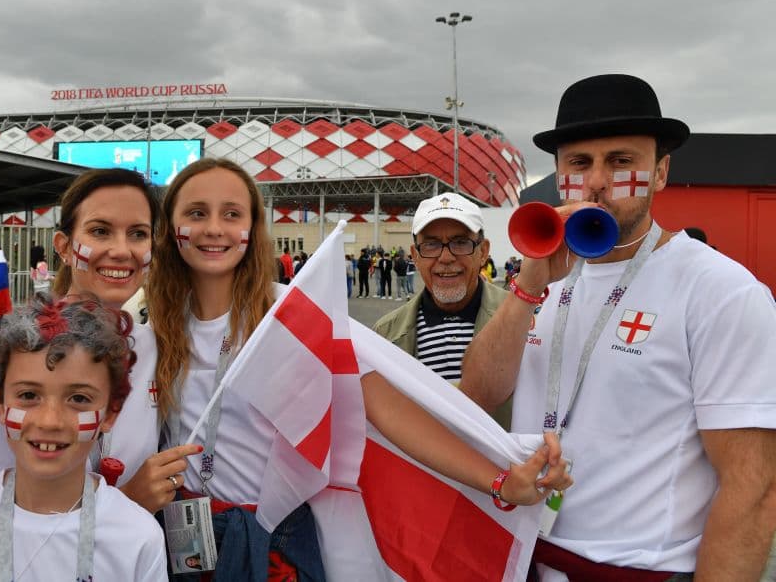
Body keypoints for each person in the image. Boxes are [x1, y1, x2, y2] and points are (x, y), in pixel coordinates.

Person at [143, 158, 571, 578]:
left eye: (232, 213)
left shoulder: (292, 318)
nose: (214, 228)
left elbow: (390, 410)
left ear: (253, 230)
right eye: (196, 213)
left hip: (271, 541)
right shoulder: (155, 330)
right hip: (182, 535)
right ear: (169, 228)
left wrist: (498, 482)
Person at [460, 74, 776, 580]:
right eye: (579, 164)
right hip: (522, 556)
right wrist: (528, 286)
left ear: (660, 172)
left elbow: (752, 488)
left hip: (636, 569)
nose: (598, 181)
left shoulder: (720, 291)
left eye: (622, 161)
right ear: (560, 173)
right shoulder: (545, 279)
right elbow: (478, 392)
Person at [0, 168, 197, 508]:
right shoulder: (17, 350)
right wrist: (124, 504)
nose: (121, 250)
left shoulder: (152, 348)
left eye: (138, 234)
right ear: (65, 247)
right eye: (100, 231)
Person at [0, 295, 167, 580]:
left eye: (79, 398)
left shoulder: (139, 539)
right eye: (29, 395)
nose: (49, 421)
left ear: (110, 414)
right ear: (1, 406)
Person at [373, 193, 512, 427]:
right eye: (431, 244)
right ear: (415, 256)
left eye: (460, 242)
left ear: (483, 252)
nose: (445, 257)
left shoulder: (527, 321)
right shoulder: (385, 335)